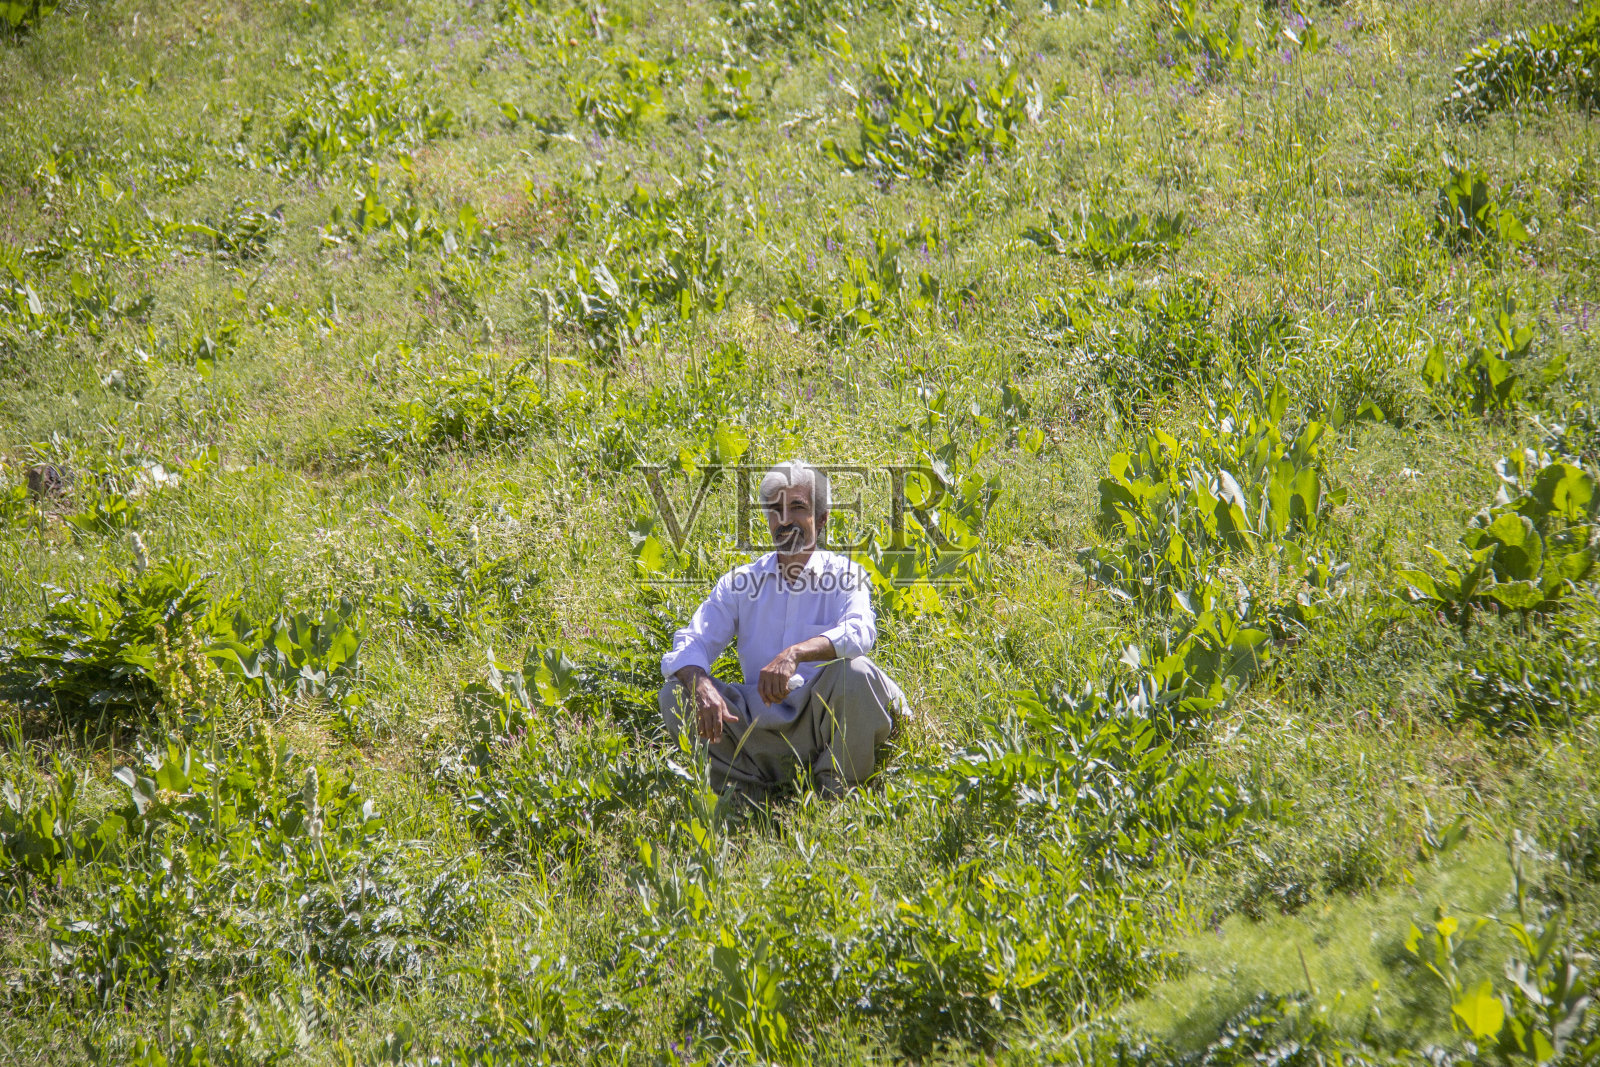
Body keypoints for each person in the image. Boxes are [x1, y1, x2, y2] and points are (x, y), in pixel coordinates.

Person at [659, 459, 906, 803]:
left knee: (857, 673)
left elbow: (861, 631)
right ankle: (744, 795)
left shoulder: (845, 575)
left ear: (822, 520)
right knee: (676, 694)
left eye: (798, 508)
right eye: (775, 511)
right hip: (756, 730)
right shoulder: (742, 583)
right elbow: (691, 641)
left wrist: (796, 653)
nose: (785, 520)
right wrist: (701, 685)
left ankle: (834, 794)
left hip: (822, 727)